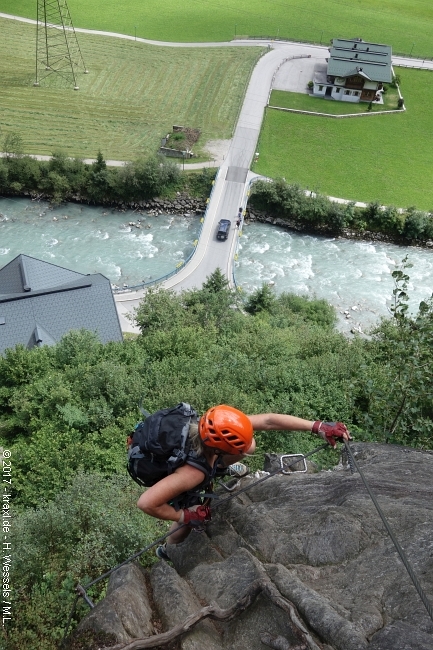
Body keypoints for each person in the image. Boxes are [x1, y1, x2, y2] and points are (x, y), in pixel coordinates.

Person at [136, 405, 352, 559]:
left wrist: (318, 426)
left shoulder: (215, 425)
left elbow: (268, 420)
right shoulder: (193, 474)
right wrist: (186, 515)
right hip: (174, 474)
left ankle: (221, 468)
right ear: (219, 450)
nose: (241, 451)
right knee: (192, 512)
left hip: (197, 456)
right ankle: (168, 551)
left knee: (249, 444)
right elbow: (146, 503)